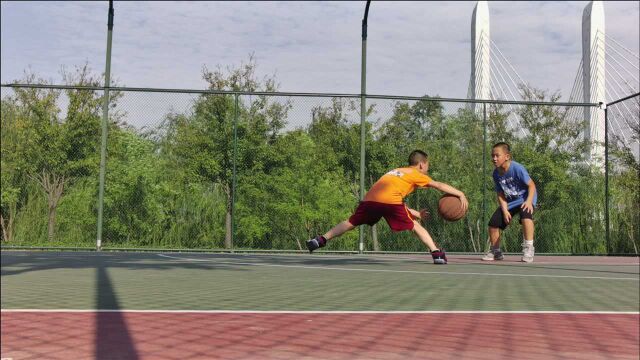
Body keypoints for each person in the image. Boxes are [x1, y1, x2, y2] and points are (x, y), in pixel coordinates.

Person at [306, 150, 468, 264]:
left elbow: (394, 203)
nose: (427, 169)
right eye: (427, 166)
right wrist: (460, 193)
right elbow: (438, 185)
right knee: (415, 226)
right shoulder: (416, 174)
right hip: (391, 202)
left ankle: (320, 240)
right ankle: (436, 253)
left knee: (351, 222)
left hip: (371, 200)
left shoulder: (396, 172)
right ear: (421, 165)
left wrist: (416, 213)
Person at [482, 142, 537, 263]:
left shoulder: (517, 168)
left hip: (525, 199)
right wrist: (505, 210)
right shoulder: (496, 173)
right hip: (511, 201)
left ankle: (529, 248)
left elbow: (532, 185)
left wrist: (528, 202)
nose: (494, 159)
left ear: (507, 156)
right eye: (492, 156)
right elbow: (500, 193)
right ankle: (496, 251)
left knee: (525, 214)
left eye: (497, 155)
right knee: (493, 223)